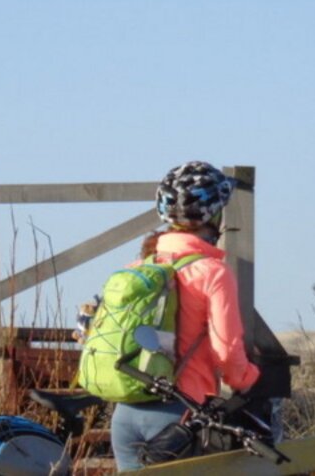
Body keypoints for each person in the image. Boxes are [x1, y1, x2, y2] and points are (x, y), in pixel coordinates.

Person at [110, 161, 262, 471]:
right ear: (216, 214)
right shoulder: (212, 273)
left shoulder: (138, 267)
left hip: (125, 413)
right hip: (179, 416)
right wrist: (249, 379)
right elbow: (228, 353)